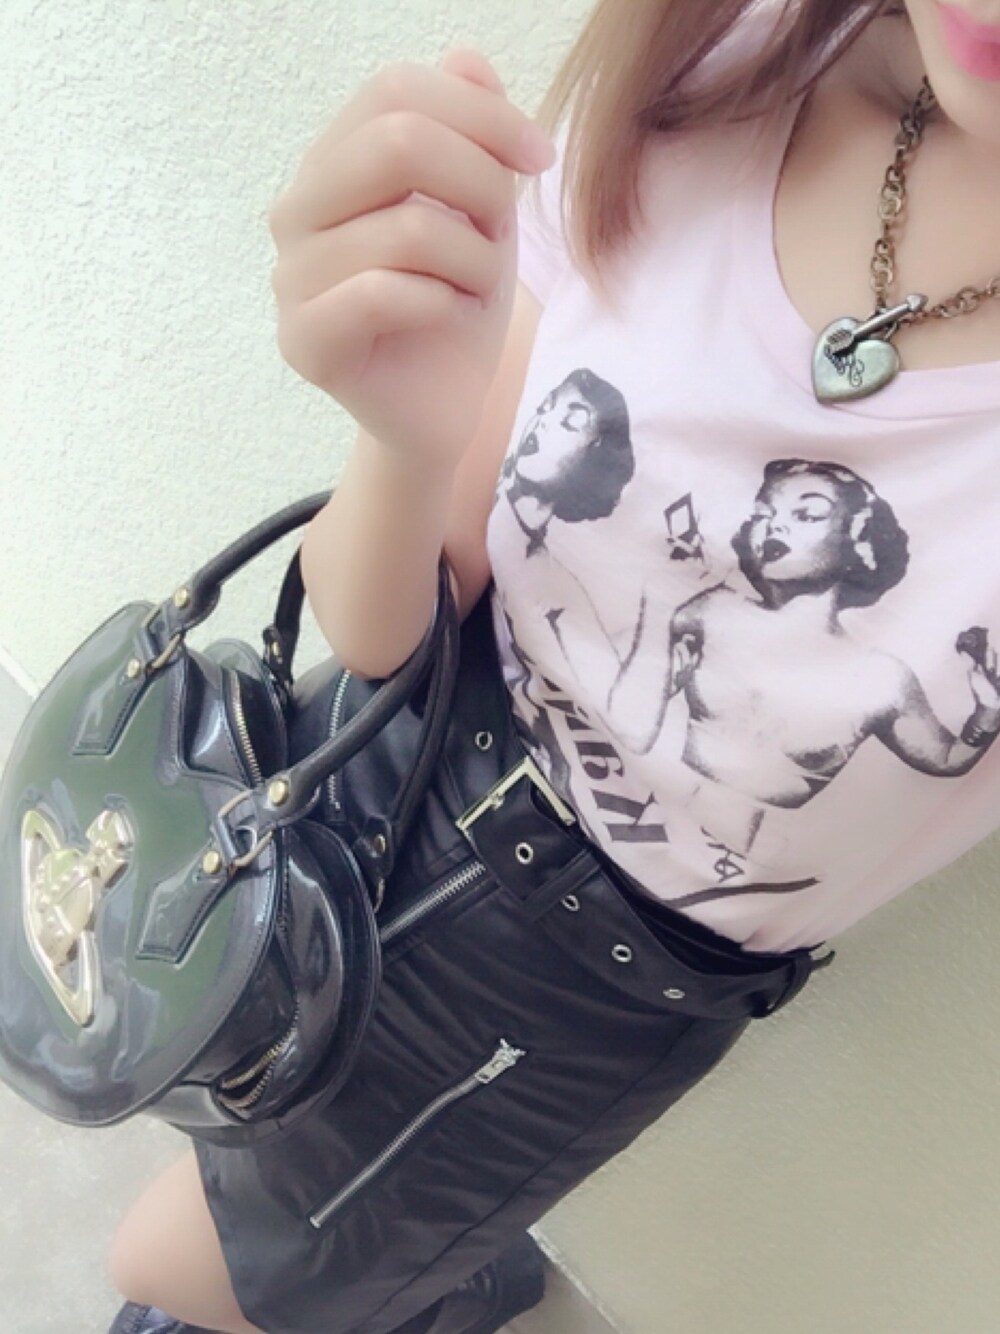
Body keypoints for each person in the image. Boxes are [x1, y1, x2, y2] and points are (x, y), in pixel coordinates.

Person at [105, 0, 1000, 1329]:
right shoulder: (733, 59)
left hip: (578, 990)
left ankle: (434, 1279)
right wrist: (403, 433)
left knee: (183, 1273)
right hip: (389, 753)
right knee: (184, 1064)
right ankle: (447, 1280)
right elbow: (394, 615)